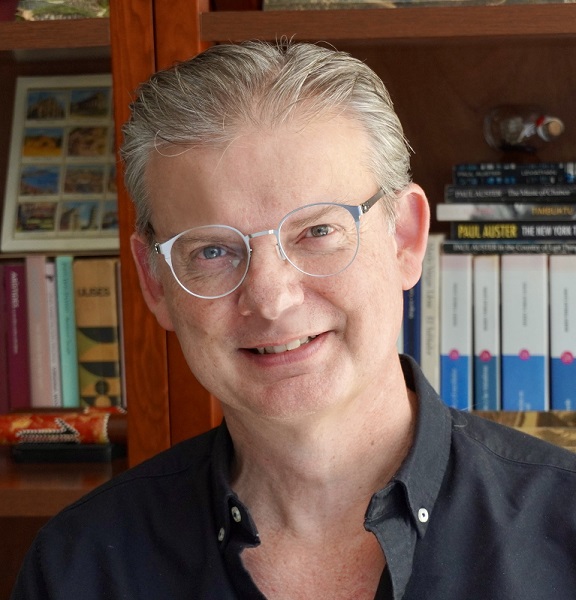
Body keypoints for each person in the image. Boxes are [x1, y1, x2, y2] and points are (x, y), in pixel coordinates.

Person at [11, 40, 576, 600]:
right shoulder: (78, 570)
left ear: (404, 239)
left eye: (317, 231)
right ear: (154, 281)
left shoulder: (565, 530)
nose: (270, 299)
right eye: (212, 250)